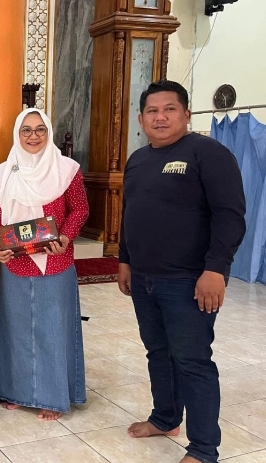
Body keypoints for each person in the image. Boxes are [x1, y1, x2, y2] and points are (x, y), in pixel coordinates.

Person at [118, 80, 246, 463]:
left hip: (189, 281)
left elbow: (230, 216)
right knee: (158, 352)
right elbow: (130, 215)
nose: (160, 117)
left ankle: (204, 449)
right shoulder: (137, 161)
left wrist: (216, 269)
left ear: (186, 114)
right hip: (144, 279)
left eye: (169, 109)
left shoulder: (208, 153)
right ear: (141, 119)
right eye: (152, 111)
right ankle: (165, 418)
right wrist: (125, 260)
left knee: (192, 361)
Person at [0, 107, 89, 420]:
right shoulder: (3, 173)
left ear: (49, 133)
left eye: (40, 129)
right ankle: (16, 391)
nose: (33, 136)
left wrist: (66, 237)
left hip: (54, 261)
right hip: (15, 262)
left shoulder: (67, 169)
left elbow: (80, 209)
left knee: (52, 329)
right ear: (17, 134)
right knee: (16, 329)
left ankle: (51, 396)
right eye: (26, 130)